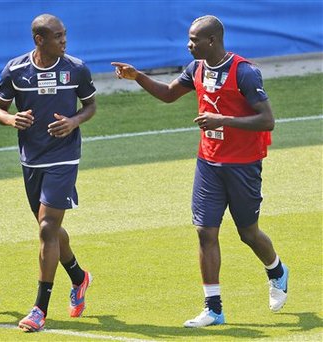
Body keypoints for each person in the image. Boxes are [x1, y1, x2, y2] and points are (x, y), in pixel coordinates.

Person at [112, 15, 288, 328]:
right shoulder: (196, 69)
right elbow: (168, 94)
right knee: (205, 232)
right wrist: (137, 76)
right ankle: (214, 308)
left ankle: (275, 270)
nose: (189, 44)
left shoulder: (245, 72)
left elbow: (267, 120)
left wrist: (224, 120)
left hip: (244, 165)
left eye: (194, 40)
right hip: (208, 163)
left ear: (212, 41)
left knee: (248, 233)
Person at [0, 14, 96, 332]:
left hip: (64, 158)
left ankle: (39, 308)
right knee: (47, 229)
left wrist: (74, 122)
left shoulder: (75, 68)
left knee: (47, 228)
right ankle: (79, 277)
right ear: (39, 40)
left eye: (65, 35)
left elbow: (90, 106)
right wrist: (11, 120)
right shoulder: (16, 70)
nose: (64, 41)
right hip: (31, 159)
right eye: (58, 36)